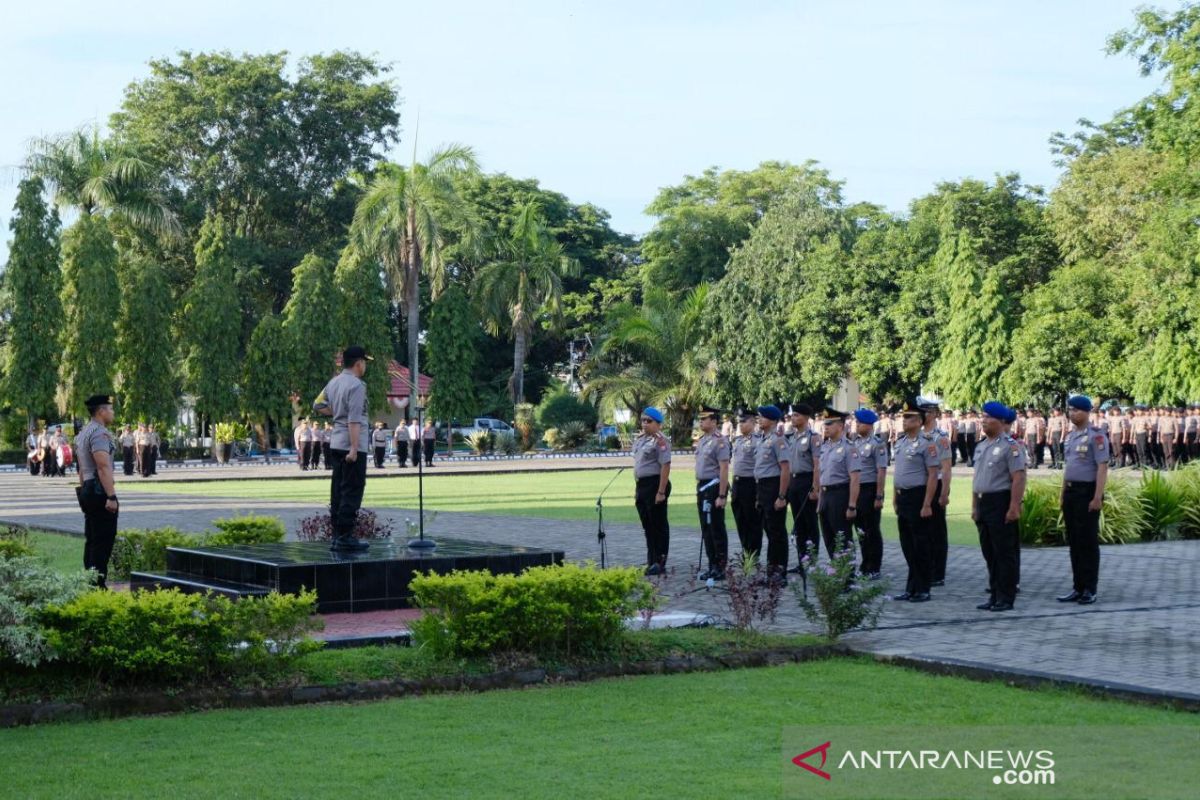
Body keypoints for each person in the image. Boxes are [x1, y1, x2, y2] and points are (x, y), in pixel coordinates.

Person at [313, 346, 373, 551]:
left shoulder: (333, 382)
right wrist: (355, 449)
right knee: (352, 489)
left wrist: (336, 412)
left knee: (337, 489)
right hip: (351, 444)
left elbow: (318, 405)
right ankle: (346, 536)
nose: (365, 366)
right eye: (364, 362)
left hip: (336, 442)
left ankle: (337, 536)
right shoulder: (357, 385)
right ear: (358, 363)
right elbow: (355, 419)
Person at [972, 402, 1027, 612]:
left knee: (1004, 553)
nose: (984, 421)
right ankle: (994, 594)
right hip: (983, 502)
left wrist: (1014, 506)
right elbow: (977, 479)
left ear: (1001, 421)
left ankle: (1006, 597)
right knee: (990, 553)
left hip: (1001, 502)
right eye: (983, 417)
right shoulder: (981, 445)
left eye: (989, 417)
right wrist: (975, 506)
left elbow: (1018, 478)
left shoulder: (1011, 446)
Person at [1057, 395, 1108, 606]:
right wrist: (1062, 493)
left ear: (1087, 412)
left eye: (1076, 410)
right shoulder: (1069, 437)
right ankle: (1077, 587)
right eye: (1070, 410)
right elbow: (1068, 468)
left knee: (1087, 542)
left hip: (1087, 492)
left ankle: (1089, 588)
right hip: (1070, 491)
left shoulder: (1096, 437)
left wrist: (1097, 496)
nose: (1072, 413)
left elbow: (1102, 467)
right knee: (1074, 541)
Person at [891, 398, 939, 603]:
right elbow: (898, 474)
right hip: (903, 497)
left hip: (918, 496)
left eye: (910, 417)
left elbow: (932, 475)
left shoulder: (927, 444)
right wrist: (894, 497)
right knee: (907, 544)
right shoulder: (900, 443)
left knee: (921, 544)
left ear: (920, 421)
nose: (905, 420)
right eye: (904, 417)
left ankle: (923, 588)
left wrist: (928, 503)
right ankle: (911, 587)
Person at [75, 395, 120, 588]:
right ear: (101, 411)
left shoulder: (84, 432)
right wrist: (111, 496)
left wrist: (85, 490)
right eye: (110, 409)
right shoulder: (100, 433)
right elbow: (103, 466)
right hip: (99, 490)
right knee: (103, 539)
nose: (112, 412)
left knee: (92, 539)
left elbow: (80, 468)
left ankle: (90, 582)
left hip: (87, 488)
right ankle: (98, 585)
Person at [752, 405, 790, 582]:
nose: (759, 419)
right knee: (768, 530)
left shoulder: (778, 440)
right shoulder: (761, 439)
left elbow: (785, 469)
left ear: (773, 421)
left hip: (773, 486)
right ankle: (770, 571)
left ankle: (778, 572)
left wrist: (782, 496)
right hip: (762, 488)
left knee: (777, 532)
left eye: (763, 417)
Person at [632, 407, 671, 575]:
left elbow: (665, 466)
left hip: (655, 484)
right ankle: (651, 560)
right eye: (643, 420)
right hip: (642, 486)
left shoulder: (661, 441)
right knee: (647, 526)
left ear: (659, 424)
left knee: (658, 525)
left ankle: (660, 561)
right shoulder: (640, 440)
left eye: (649, 421)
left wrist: (661, 491)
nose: (645, 424)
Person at [693, 405, 730, 580]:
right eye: (700, 419)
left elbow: (724, 469)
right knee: (706, 528)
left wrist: (722, 495)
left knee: (716, 527)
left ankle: (721, 567)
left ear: (714, 421)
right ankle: (712, 564)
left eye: (704, 419)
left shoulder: (720, 441)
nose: (700, 421)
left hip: (714, 486)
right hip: (702, 487)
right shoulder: (702, 440)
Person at [784, 403, 821, 573]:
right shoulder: (790, 437)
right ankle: (801, 562)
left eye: (797, 415)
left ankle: (811, 562)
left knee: (810, 523)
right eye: (792, 415)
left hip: (807, 481)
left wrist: (815, 487)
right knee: (798, 523)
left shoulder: (814, 437)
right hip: (793, 482)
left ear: (806, 418)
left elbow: (817, 464)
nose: (793, 418)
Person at [851, 408, 887, 578]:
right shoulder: (854, 442)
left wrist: (879, 495)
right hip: (857, 490)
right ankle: (865, 564)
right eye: (856, 423)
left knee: (871, 529)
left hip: (870, 489)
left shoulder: (877, 443)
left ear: (868, 425)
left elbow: (881, 471)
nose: (856, 425)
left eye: (859, 423)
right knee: (860, 530)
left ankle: (874, 566)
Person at [817, 407, 856, 560]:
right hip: (826, 496)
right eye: (825, 424)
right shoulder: (825, 447)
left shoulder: (849, 448)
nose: (825, 427)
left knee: (843, 538)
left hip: (840, 495)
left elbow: (855, 478)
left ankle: (848, 578)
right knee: (829, 538)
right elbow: (822, 475)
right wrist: (820, 500)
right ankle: (836, 574)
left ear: (840, 426)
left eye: (829, 424)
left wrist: (852, 505)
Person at [921, 399, 953, 586]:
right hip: (920, 485)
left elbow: (946, 467)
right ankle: (925, 568)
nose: (921, 415)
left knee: (936, 531)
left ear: (932, 413)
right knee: (922, 530)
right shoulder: (916, 435)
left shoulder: (940, 436)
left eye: (924, 411)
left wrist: (945, 493)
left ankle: (937, 572)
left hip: (937, 485)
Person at [729, 408, 759, 560]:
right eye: (739, 422)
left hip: (750, 484)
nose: (741, 424)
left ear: (753, 422)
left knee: (752, 520)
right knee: (740, 519)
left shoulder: (758, 440)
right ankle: (745, 550)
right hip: (737, 483)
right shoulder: (737, 440)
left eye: (744, 421)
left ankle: (754, 554)